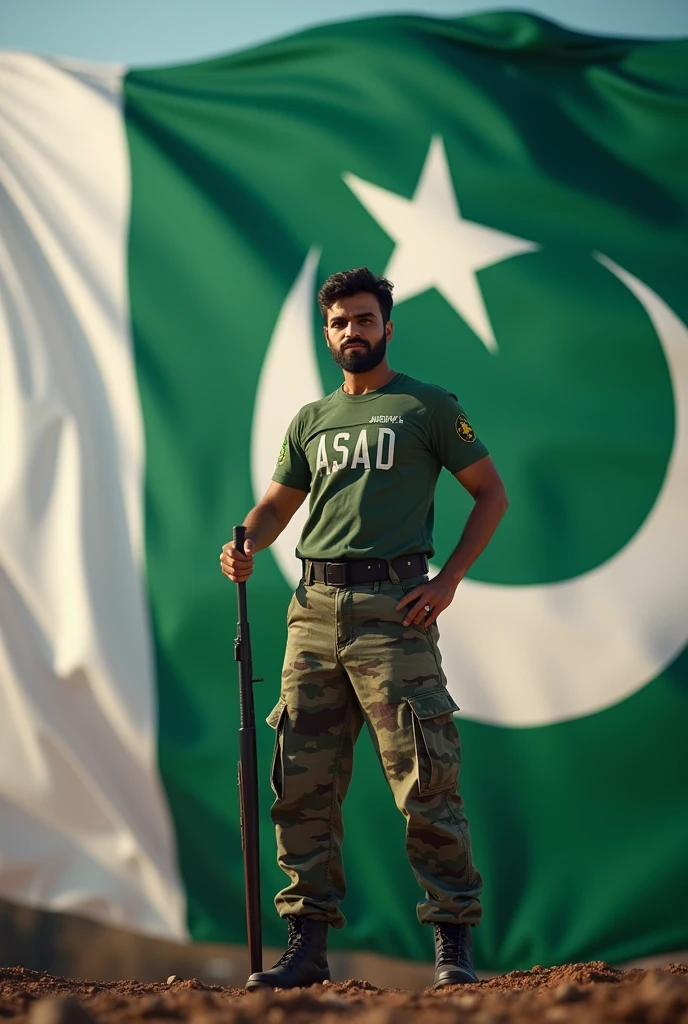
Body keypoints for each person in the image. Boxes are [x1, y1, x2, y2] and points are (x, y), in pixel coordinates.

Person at [220, 267, 508, 991]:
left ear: (387, 326)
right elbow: (276, 508)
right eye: (341, 321)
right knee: (302, 786)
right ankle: (306, 949)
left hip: (395, 612)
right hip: (312, 616)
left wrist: (447, 581)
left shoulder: (428, 407)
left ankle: (453, 951)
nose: (354, 330)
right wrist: (245, 542)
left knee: (425, 779)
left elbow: (490, 495)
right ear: (328, 334)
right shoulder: (312, 421)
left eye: (365, 319)